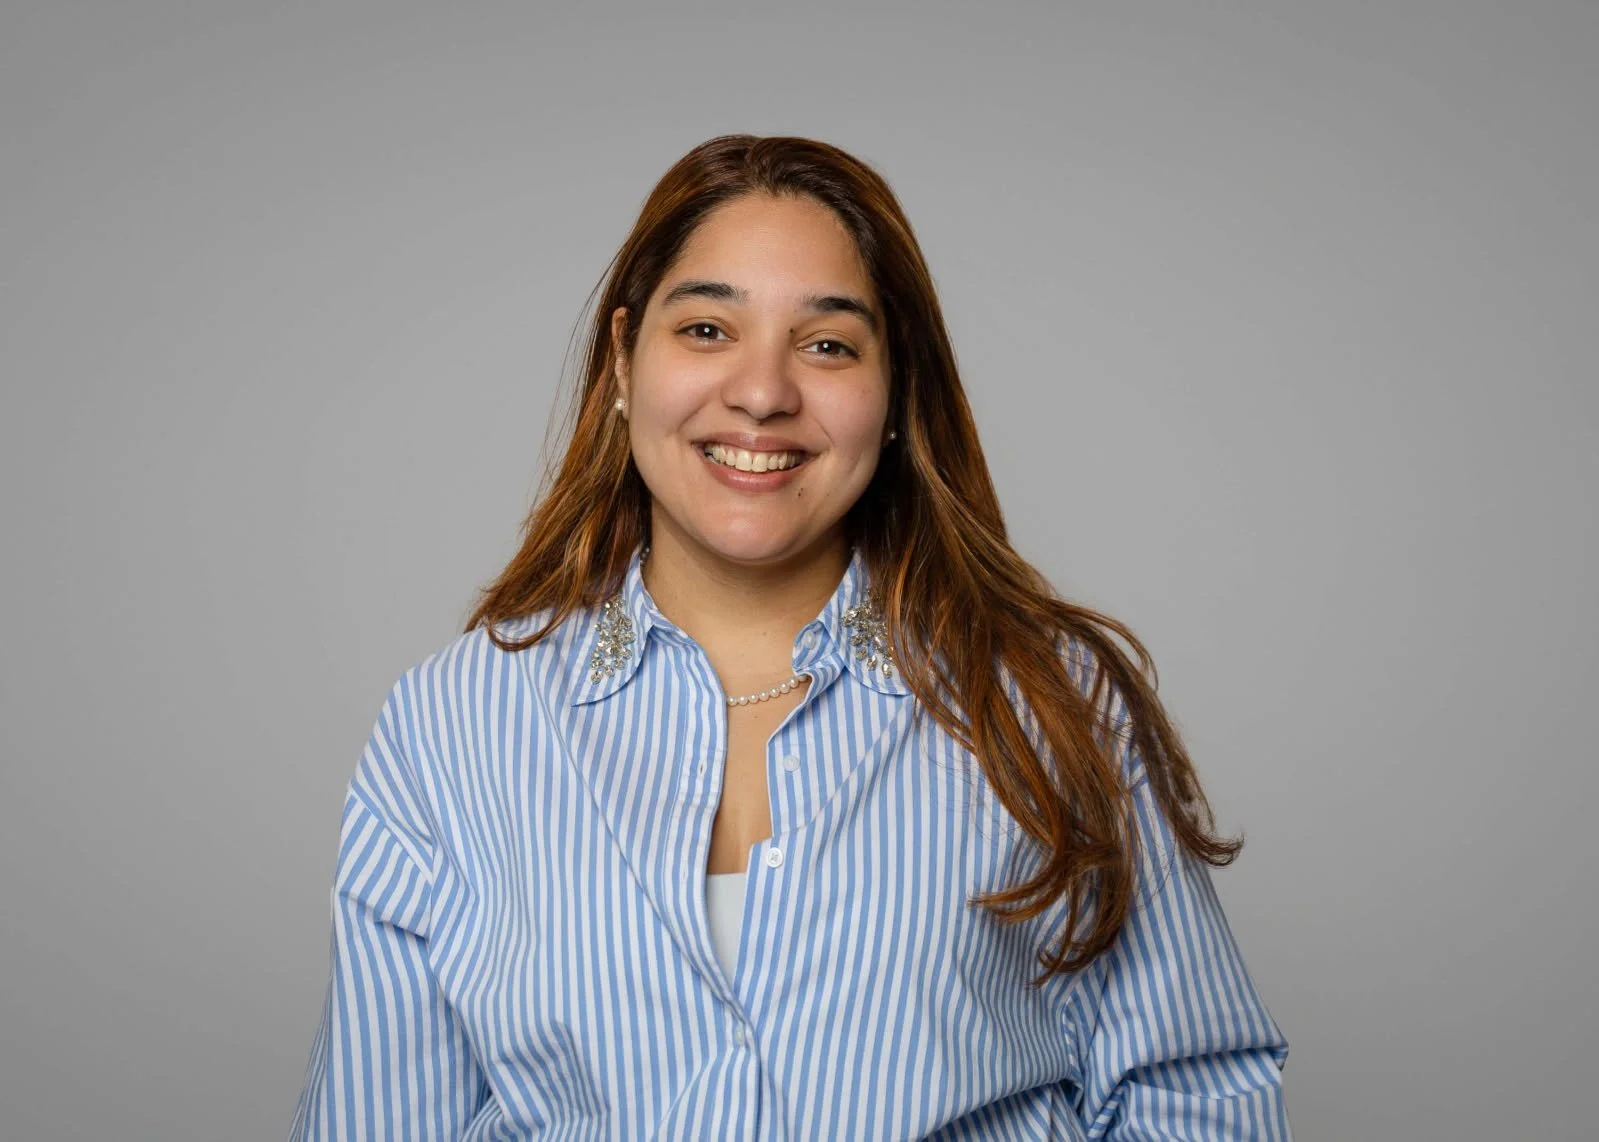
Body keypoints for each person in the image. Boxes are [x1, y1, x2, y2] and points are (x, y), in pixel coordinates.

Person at [289, 134, 1290, 1140]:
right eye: (709, 328)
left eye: (827, 344)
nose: (763, 392)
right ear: (626, 359)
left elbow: (1191, 1093)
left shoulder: (1047, 699)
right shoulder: (448, 726)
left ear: (894, 391)